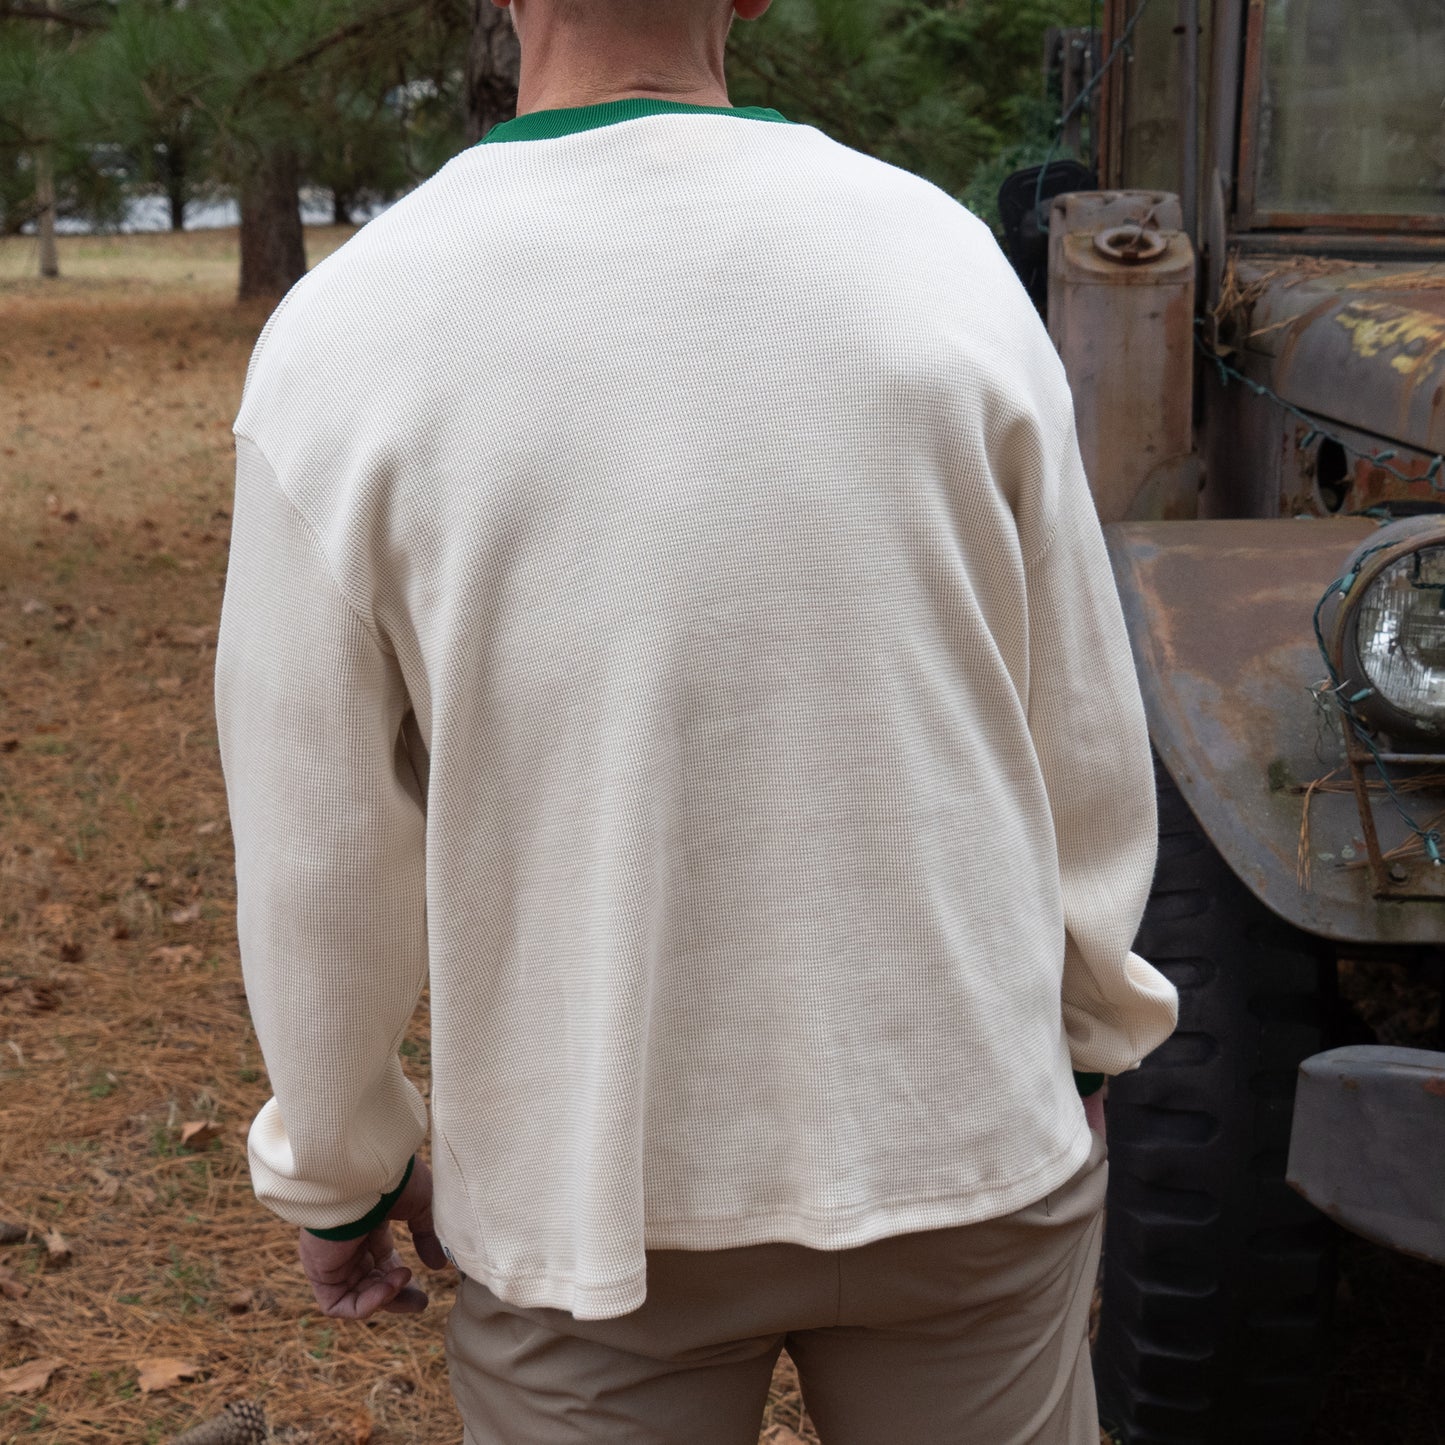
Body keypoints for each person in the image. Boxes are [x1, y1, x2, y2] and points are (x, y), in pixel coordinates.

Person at [213, 0, 1179, 1439]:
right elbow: (1081, 718)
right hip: (960, 1129)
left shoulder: (349, 335)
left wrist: (343, 1164)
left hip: (588, 1180)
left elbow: (317, 843)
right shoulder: (940, 266)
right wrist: (1090, 1024)